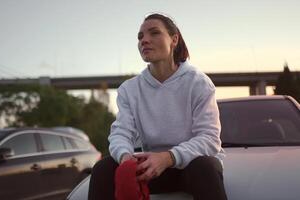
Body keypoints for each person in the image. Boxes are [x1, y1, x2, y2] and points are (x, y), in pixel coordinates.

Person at [88, 13, 228, 200]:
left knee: (205, 167)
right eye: (140, 36)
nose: (144, 40)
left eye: (154, 33)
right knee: (103, 169)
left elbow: (209, 139)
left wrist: (168, 157)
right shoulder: (129, 89)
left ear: (174, 39)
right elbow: (121, 133)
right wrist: (125, 158)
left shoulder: (198, 83)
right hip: (151, 168)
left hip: (190, 167)